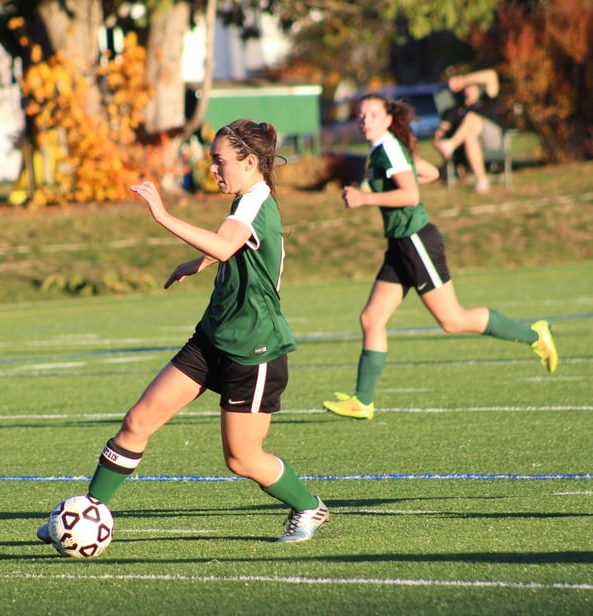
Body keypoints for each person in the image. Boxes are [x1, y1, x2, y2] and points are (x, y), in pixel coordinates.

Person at [37, 119, 329, 545]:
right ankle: (86, 513)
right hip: (212, 339)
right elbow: (232, 245)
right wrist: (200, 263)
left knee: (242, 459)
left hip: (254, 351)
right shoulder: (246, 199)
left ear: (249, 162)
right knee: (137, 421)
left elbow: (228, 243)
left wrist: (163, 215)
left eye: (218, 160)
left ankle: (308, 505)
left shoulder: (254, 202)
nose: (211, 168)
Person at [322, 94, 558, 420]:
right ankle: (363, 401)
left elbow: (411, 193)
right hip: (400, 245)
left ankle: (535, 335)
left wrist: (365, 198)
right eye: (361, 116)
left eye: (373, 115)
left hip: (416, 240)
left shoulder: (389, 147)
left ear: (388, 119)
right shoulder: (386, 147)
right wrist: (391, 175)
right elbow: (431, 173)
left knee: (452, 320)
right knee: (371, 318)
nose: (365, 121)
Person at [433, 69, 505, 194]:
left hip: (491, 139)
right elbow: (443, 129)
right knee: (469, 136)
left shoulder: (486, 100)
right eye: (466, 87)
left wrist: (464, 80)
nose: (468, 89)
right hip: (469, 144)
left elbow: (491, 75)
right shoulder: (456, 109)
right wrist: (440, 134)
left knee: (471, 118)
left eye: (471, 87)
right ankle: (482, 180)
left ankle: (450, 146)